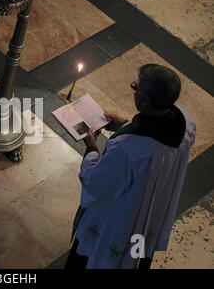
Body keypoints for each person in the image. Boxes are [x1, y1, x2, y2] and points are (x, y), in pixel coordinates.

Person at [65, 64, 196, 269]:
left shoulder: (127, 149)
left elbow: (96, 183)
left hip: (118, 219)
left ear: (143, 99)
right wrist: (127, 124)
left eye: (135, 86)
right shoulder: (186, 124)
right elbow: (155, 145)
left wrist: (91, 147)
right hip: (149, 211)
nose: (133, 90)